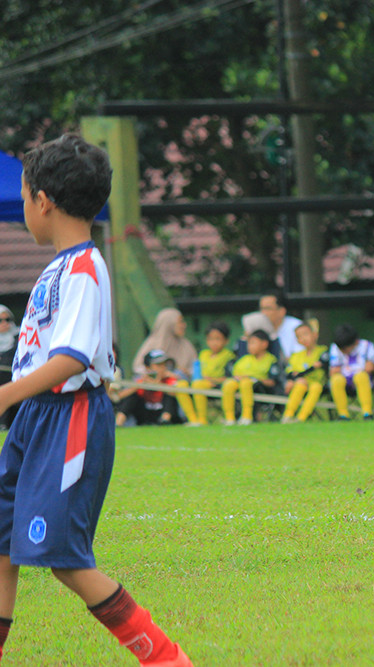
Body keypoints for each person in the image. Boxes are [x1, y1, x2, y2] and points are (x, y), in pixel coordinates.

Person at [0, 134, 190, 665]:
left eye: (23, 197)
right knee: (0, 548)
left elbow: (73, 359)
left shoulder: (85, 268)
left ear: (43, 200)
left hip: (71, 422)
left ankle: (167, 659)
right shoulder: (58, 268)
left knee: (65, 560)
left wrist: (4, 396)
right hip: (34, 421)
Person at [173, 320, 236, 426]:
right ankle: (192, 419)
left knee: (198, 384)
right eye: (211, 339)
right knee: (180, 385)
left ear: (226, 341)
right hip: (199, 383)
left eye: (218, 339)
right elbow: (197, 373)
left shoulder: (229, 356)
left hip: (216, 386)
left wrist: (212, 380)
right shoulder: (203, 354)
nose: (214, 343)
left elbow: (230, 378)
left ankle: (202, 419)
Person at [221, 329, 281, 425]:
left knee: (246, 382)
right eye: (248, 343)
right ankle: (229, 418)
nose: (249, 346)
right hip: (239, 385)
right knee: (228, 384)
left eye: (253, 343)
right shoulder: (245, 359)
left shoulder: (271, 360)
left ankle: (247, 416)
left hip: (259, 388)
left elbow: (272, 382)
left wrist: (252, 378)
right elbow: (235, 374)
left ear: (264, 344)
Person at [114, 350, 182, 426]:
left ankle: (165, 420)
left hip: (164, 412)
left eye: (164, 364)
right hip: (145, 413)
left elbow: (176, 394)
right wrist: (141, 384)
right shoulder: (141, 379)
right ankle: (118, 423)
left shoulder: (169, 378)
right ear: (148, 367)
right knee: (132, 396)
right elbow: (118, 397)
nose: (162, 368)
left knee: (169, 394)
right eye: (158, 365)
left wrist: (156, 384)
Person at [281, 320, 329, 423]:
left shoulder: (323, 351)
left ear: (315, 335)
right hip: (300, 384)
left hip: (318, 384)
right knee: (300, 384)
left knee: (315, 387)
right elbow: (290, 372)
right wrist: (296, 378)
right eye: (299, 336)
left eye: (305, 334)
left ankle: (301, 418)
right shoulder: (296, 355)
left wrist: (299, 375)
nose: (303, 338)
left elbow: (320, 365)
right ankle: (288, 415)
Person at [328, 323, 374, 421]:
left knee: (361, 376)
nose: (343, 351)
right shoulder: (335, 347)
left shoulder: (367, 346)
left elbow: (371, 367)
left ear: (355, 342)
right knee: (336, 380)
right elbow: (333, 371)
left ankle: (367, 412)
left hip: (363, 380)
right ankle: (343, 414)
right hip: (344, 382)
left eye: (345, 348)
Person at [131, 307, 197, 380]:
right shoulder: (153, 342)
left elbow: (195, 368)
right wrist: (161, 372)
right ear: (169, 323)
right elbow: (137, 367)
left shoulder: (186, 344)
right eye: (180, 322)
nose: (184, 325)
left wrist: (186, 371)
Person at [259, 291, 303, 361]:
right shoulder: (258, 327)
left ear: (282, 311)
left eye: (268, 309)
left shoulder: (296, 326)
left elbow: (300, 356)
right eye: (261, 309)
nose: (263, 313)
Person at [0, 306, 20, 429]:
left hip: (15, 384)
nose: (4, 324)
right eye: (0, 320)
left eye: (7, 320)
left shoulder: (19, 337)